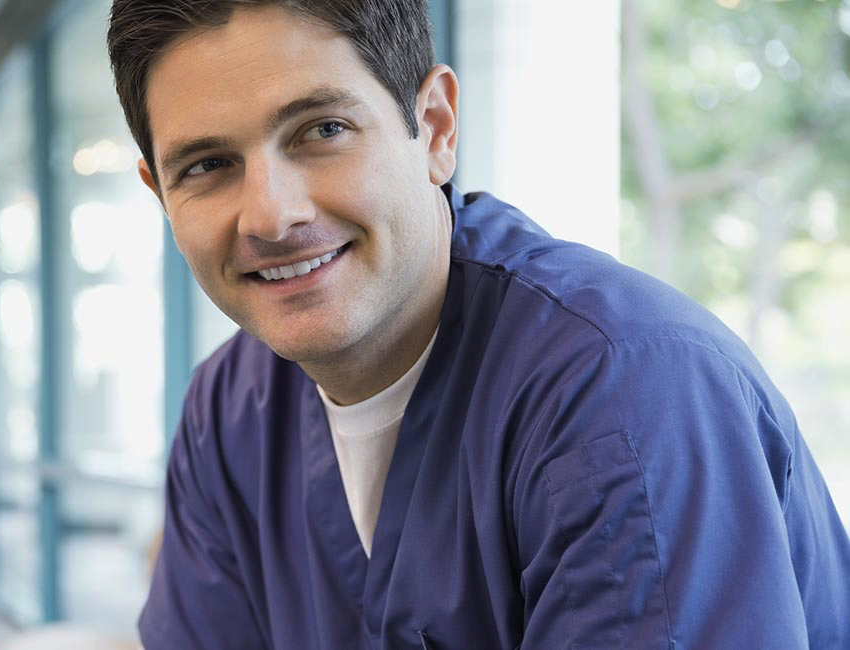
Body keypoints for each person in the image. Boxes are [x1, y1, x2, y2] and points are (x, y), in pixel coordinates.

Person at [105, 1, 850, 648]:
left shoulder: (625, 392)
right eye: (206, 166)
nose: (271, 214)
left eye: (321, 129)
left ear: (433, 127)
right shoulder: (227, 413)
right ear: (159, 192)